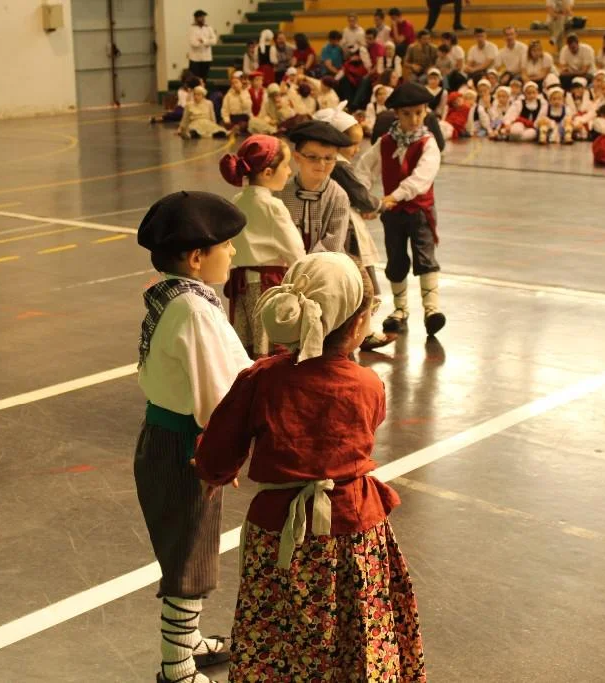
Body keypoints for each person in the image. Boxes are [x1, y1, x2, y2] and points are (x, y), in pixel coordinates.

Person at [193, 252, 427, 683]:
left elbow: (218, 450)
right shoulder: (367, 385)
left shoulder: (261, 379)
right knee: (356, 629)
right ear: (357, 326)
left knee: (279, 636)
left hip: (280, 531)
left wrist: (214, 473)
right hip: (354, 528)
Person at [134, 191, 252, 683]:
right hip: (188, 445)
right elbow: (218, 390)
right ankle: (176, 667)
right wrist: (224, 452)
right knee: (189, 557)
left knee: (192, 547)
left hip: (168, 437)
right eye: (226, 245)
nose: (233, 251)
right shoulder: (193, 309)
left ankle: (189, 642)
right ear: (197, 258)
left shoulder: (175, 295)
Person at [355, 82, 446, 337]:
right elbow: (364, 169)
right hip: (393, 215)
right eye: (407, 114)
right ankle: (400, 309)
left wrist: (390, 198)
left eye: (419, 112)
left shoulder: (428, 143)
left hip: (420, 211)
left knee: (425, 258)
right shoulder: (385, 142)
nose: (414, 119)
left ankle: (432, 310)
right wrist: (364, 200)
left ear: (426, 111)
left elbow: (420, 179)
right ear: (396, 113)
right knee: (395, 259)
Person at [314, 108, 397, 351]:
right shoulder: (339, 166)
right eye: (353, 144)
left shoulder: (333, 165)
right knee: (359, 279)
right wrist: (380, 205)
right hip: (347, 229)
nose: (357, 149)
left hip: (343, 220)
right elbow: (359, 195)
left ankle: (358, 331)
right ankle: (360, 333)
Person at [220, 136, 304, 357]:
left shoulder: (237, 201)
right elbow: (295, 251)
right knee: (268, 340)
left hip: (241, 286)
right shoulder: (272, 206)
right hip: (268, 285)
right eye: (285, 165)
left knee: (247, 338)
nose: (289, 171)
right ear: (267, 173)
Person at [276, 121, 353, 254]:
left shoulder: (338, 196)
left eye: (328, 158)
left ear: (336, 160)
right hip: (287, 261)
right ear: (297, 157)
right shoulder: (281, 193)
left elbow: (333, 242)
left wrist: (308, 262)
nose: (321, 164)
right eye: (312, 157)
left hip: (326, 263)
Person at [187, 10, 218, 81]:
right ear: (196, 18)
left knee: (204, 78)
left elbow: (214, 41)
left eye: (203, 17)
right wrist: (206, 42)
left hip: (206, 57)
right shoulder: (191, 29)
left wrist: (203, 41)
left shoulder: (209, 28)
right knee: (195, 79)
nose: (203, 18)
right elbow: (193, 43)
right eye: (200, 17)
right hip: (195, 58)